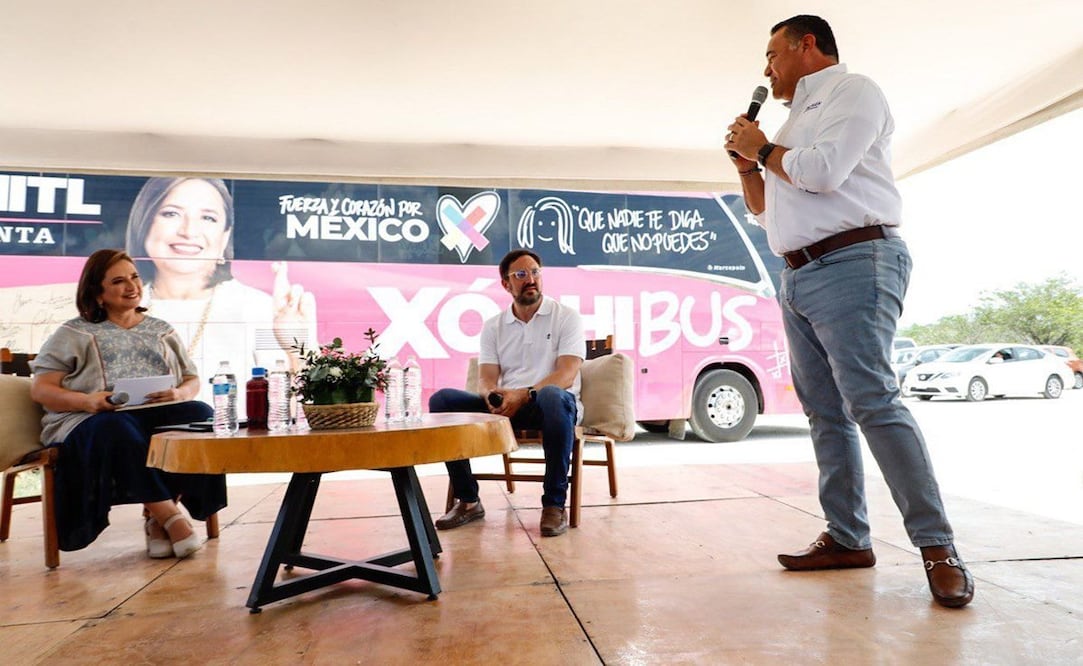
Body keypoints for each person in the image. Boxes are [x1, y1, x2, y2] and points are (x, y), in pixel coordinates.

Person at [724, 15, 974, 608]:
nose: (766, 69)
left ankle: (938, 549)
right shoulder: (790, 124)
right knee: (824, 413)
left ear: (807, 45)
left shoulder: (853, 91)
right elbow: (767, 214)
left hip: (855, 258)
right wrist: (745, 166)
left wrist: (764, 149)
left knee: (872, 401)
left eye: (772, 54)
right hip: (799, 271)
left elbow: (822, 173)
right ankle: (847, 536)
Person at [30, 249, 227, 557]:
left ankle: (157, 519)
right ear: (97, 293)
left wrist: (179, 394)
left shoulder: (160, 329)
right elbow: (41, 390)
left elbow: (191, 379)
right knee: (117, 427)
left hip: (152, 413)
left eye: (134, 277)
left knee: (200, 415)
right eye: (119, 281)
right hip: (89, 420)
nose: (132, 286)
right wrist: (87, 401)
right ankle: (170, 518)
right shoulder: (74, 332)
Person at [124, 177, 317, 414]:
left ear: (225, 237)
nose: (188, 231)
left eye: (208, 218)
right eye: (171, 213)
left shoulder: (257, 309)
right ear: (144, 223)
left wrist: (298, 349)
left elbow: (294, 415)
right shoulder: (118, 311)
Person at [429, 249, 584, 537]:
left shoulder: (566, 317)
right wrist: (492, 396)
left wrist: (522, 394)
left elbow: (566, 374)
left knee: (550, 393)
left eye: (535, 272)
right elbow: (486, 379)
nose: (531, 279)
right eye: (521, 275)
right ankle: (469, 501)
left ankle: (554, 505)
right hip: (508, 408)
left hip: (553, 407)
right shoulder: (493, 326)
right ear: (506, 284)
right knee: (443, 401)